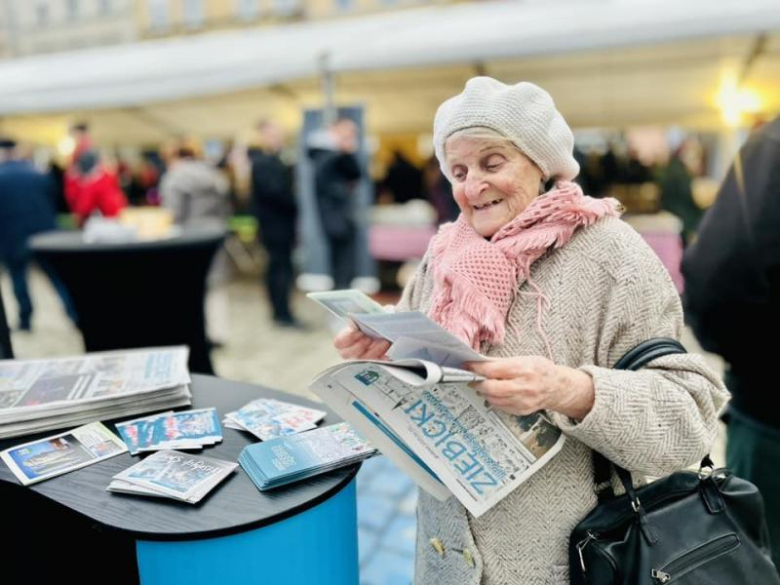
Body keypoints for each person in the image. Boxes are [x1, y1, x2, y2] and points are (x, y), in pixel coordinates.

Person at [332, 77, 728, 584]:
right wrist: (382, 353)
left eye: (492, 163)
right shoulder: (443, 255)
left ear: (542, 163)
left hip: (570, 563)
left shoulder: (613, 256)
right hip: (445, 561)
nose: (473, 185)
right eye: (458, 170)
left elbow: (689, 419)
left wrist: (571, 390)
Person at [681, 116, 780, 566]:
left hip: (769, 416)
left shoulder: (772, 144)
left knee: (762, 560)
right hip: (766, 408)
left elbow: (716, 280)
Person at [0, 138, 77, 330]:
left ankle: (25, 320)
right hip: (46, 234)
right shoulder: (38, 173)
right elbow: (57, 199)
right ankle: (74, 314)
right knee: (57, 277)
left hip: (13, 237)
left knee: (19, 279)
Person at [249, 120, 301, 327]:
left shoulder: (278, 159)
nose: (276, 137)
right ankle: (281, 313)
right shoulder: (262, 162)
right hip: (273, 225)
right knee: (279, 269)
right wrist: (296, 202)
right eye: (272, 134)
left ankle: (282, 311)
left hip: (280, 224)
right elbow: (275, 192)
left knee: (281, 268)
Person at [308, 117, 362, 289]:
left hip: (342, 215)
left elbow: (356, 174)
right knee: (341, 261)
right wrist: (343, 152)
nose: (352, 135)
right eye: (349, 131)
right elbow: (328, 184)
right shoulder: (324, 153)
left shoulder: (337, 154)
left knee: (345, 260)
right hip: (334, 216)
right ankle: (341, 295)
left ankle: (343, 291)